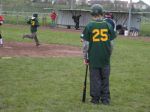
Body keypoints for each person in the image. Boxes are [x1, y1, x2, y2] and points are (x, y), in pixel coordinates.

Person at [80, 4, 116, 105]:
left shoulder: (89, 26)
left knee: (95, 79)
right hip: (105, 58)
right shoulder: (108, 25)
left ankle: (95, 99)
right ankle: (105, 100)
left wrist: (85, 57)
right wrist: (109, 54)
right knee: (105, 79)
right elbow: (112, 43)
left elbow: (86, 44)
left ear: (92, 14)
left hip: (93, 58)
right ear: (102, 13)